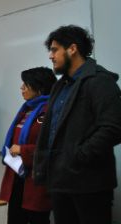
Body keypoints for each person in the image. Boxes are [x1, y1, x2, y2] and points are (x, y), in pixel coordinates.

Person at [33, 25, 121, 224]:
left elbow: (113, 127)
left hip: (89, 183)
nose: (50, 56)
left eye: (55, 50)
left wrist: (77, 156)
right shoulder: (59, 86)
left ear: (72, 49)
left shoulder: (99, 81)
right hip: (60, 181)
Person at [0, 67, 56, 224]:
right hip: (17, 177)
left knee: (37, 219)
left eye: (26, 84)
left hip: (36, 181)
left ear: (39, 87)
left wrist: (22, 150)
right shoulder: (26, 109)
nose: (21, 87)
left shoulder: (50, 111)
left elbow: (53, 147)